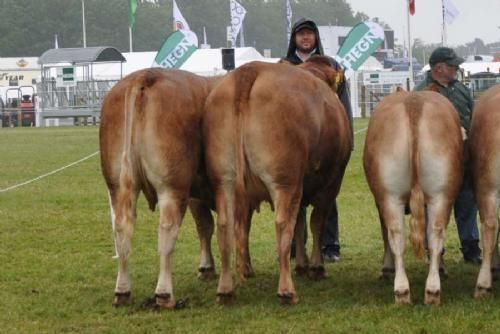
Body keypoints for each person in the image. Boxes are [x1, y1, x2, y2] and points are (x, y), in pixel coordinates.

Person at [283, 18, 353, 262]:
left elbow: (343, 101)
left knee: (327, 193)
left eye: (309, 34)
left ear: (316, 38)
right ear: (294, 39)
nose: (305, 38)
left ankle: (330, 244)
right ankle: (294, 245)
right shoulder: (283, 66)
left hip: (326, 139)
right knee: (292, 197)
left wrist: (347, 133)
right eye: (300, 34)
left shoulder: (332, 65)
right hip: (294, 140)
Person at [414, 46, 482, 264]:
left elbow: (471, 116)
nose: (456, 68)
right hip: (434, 159)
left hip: (462, 157)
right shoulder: (421, 92)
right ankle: (434, 248)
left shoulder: (460, 89)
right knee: (432, 203)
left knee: (466, 201)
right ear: (439, 68)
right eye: (452, 65)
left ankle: (471, 247)